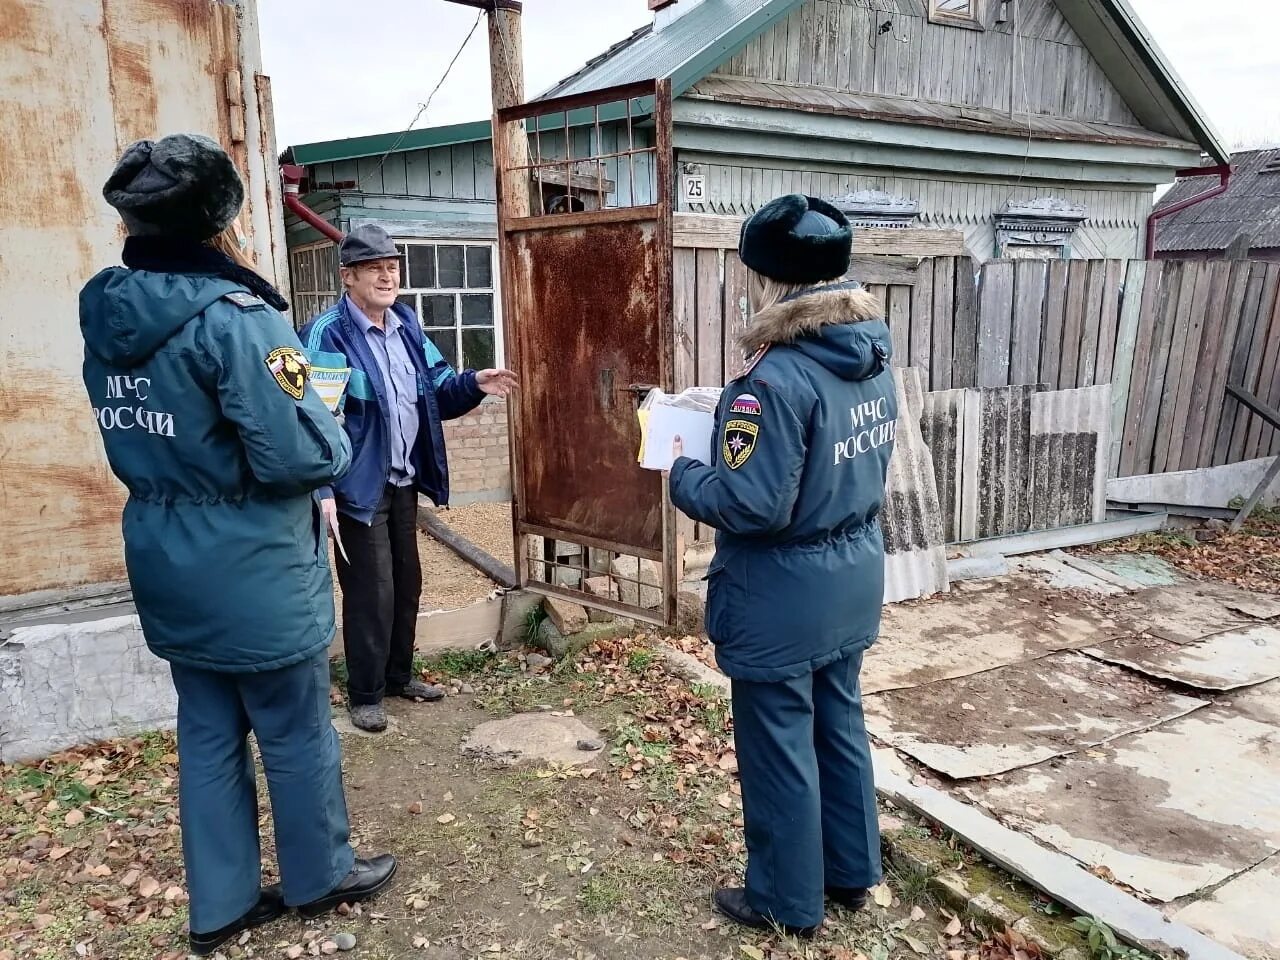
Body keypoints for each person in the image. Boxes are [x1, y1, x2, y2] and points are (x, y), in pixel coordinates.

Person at [81, 134, 397, 956]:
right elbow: (298, 451)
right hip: (253, 561)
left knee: (208, 728)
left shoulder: (108, 316)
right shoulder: (237, 319)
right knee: (294, 727)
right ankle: (319, 874)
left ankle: (218, 904)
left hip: (166, 553)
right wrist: (333, 436)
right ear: (220, 218)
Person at [667, 195, 897, 937]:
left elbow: (752, 505)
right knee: (839, 725)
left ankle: (784, 900)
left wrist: (678, 471)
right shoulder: (872, 355)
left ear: (766, 278)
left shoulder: (770, 381)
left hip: (781, 593)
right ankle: (852, 872)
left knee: (779, 746)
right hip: (852, 575)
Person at [299, 225, 516, 733]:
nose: (387, 274)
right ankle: (366, 692)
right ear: (348, 276)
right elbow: (312, 419)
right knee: (370, 590)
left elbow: (438, 387)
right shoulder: (327, 334)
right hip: (357, 486)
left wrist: (475, 383)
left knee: (406, 584)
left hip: (402, 480)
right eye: (374, 267)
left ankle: (398, 677)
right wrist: (323, 488)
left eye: (392, 265)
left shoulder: (407, 326)